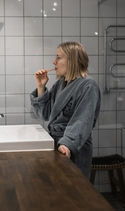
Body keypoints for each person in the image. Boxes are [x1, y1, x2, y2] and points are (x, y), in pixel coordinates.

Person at [30, 42, 101, 178]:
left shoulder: (88, 86)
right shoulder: (60, 84)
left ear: (72, 60)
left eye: (58, 57)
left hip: (73, 148)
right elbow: (45, 114)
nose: (54, 62)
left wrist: (67, 144)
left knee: (74, 192)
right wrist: (41, 87)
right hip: (58, 145)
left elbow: (82, 121)